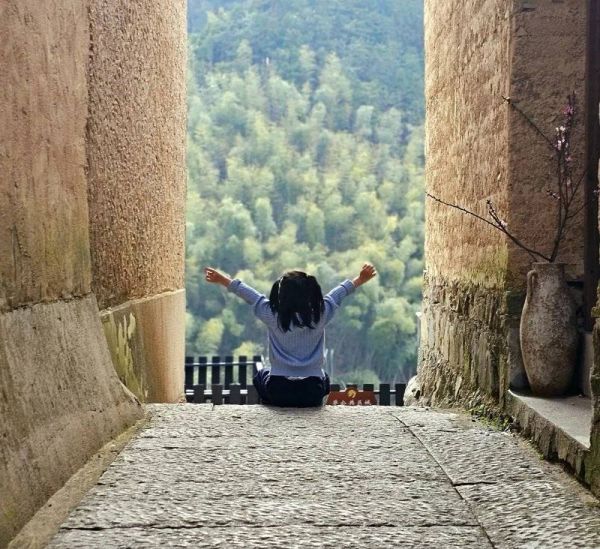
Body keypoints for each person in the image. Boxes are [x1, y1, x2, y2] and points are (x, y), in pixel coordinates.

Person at [204, 264, 377, 407]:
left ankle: (271, 404)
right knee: (324, 377)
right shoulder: (320, 314)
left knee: (261, 375)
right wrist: (360, 279)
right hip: (312, 391)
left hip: (278, 391)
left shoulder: (272, 315)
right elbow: (338, 294)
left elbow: (251, 296)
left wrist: (223, 280)